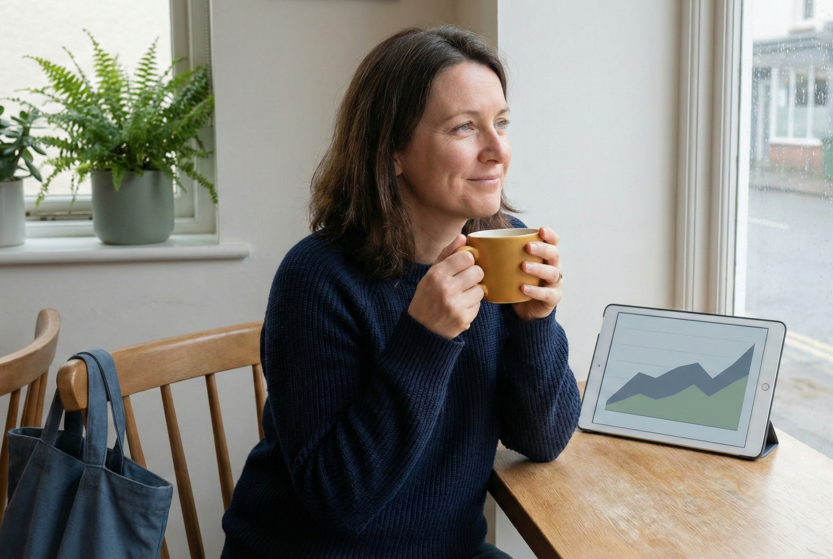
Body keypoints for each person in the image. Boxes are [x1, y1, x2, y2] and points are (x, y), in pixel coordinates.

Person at [222, 25, 581, 559]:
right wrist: (425, 339)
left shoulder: (498, 250)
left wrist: (536, 325)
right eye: (465, 127)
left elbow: (543, 440)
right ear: (392, 150)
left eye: (501, 123)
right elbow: (339, 502)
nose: (497, 151)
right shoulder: (317, 278)